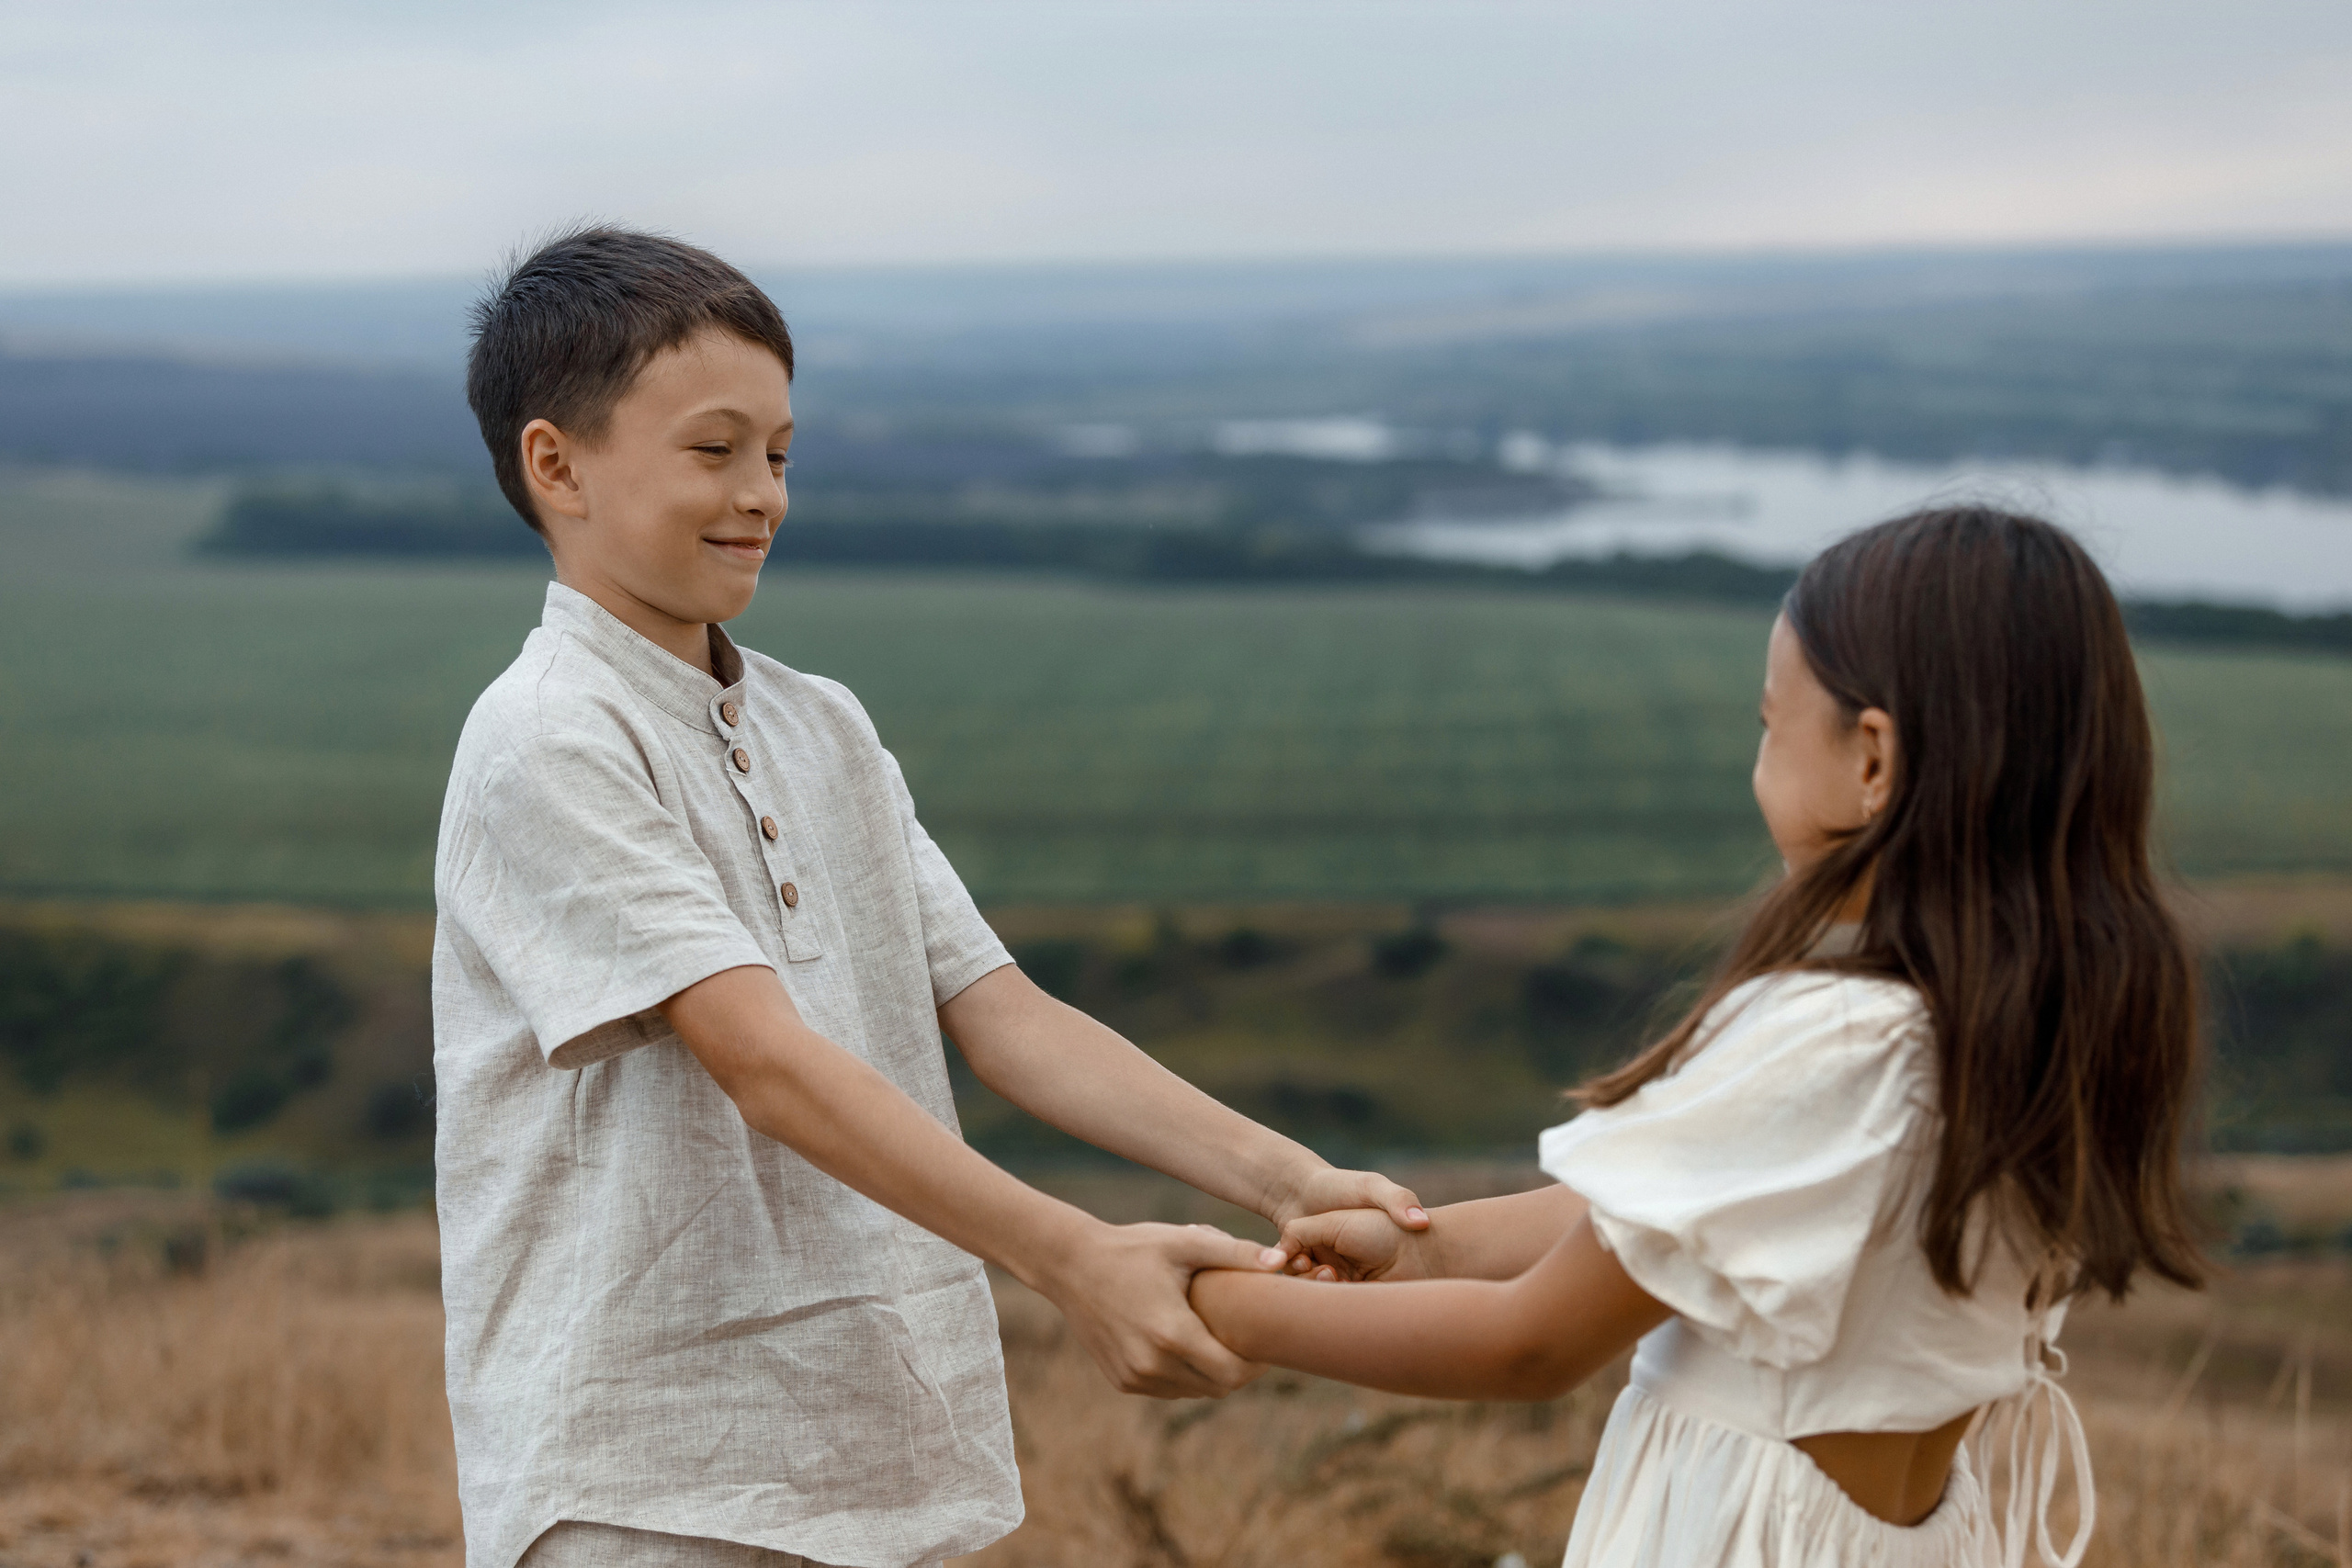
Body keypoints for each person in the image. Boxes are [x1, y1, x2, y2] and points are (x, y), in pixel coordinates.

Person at [432, 225, 1428, 1568]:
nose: (762, 494)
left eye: (780, 452)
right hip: (648, 1469)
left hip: (872, 1437)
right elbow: (767, 1063)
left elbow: (1006, 1012)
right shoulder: (548, 736)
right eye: (714, 450)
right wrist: (1073, 1254)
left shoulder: (822, 723)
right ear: (557, 464)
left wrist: (1291, 1179)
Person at [1200, 507, 2207, 1566]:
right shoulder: (2030, 1018)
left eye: (1770, 725)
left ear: (1872, 761)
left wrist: (1221, 1307)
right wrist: (1428, 1249)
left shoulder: (1840, 1039)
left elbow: (1530, 1344)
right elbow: (1678, 1217)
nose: (1757, 760)